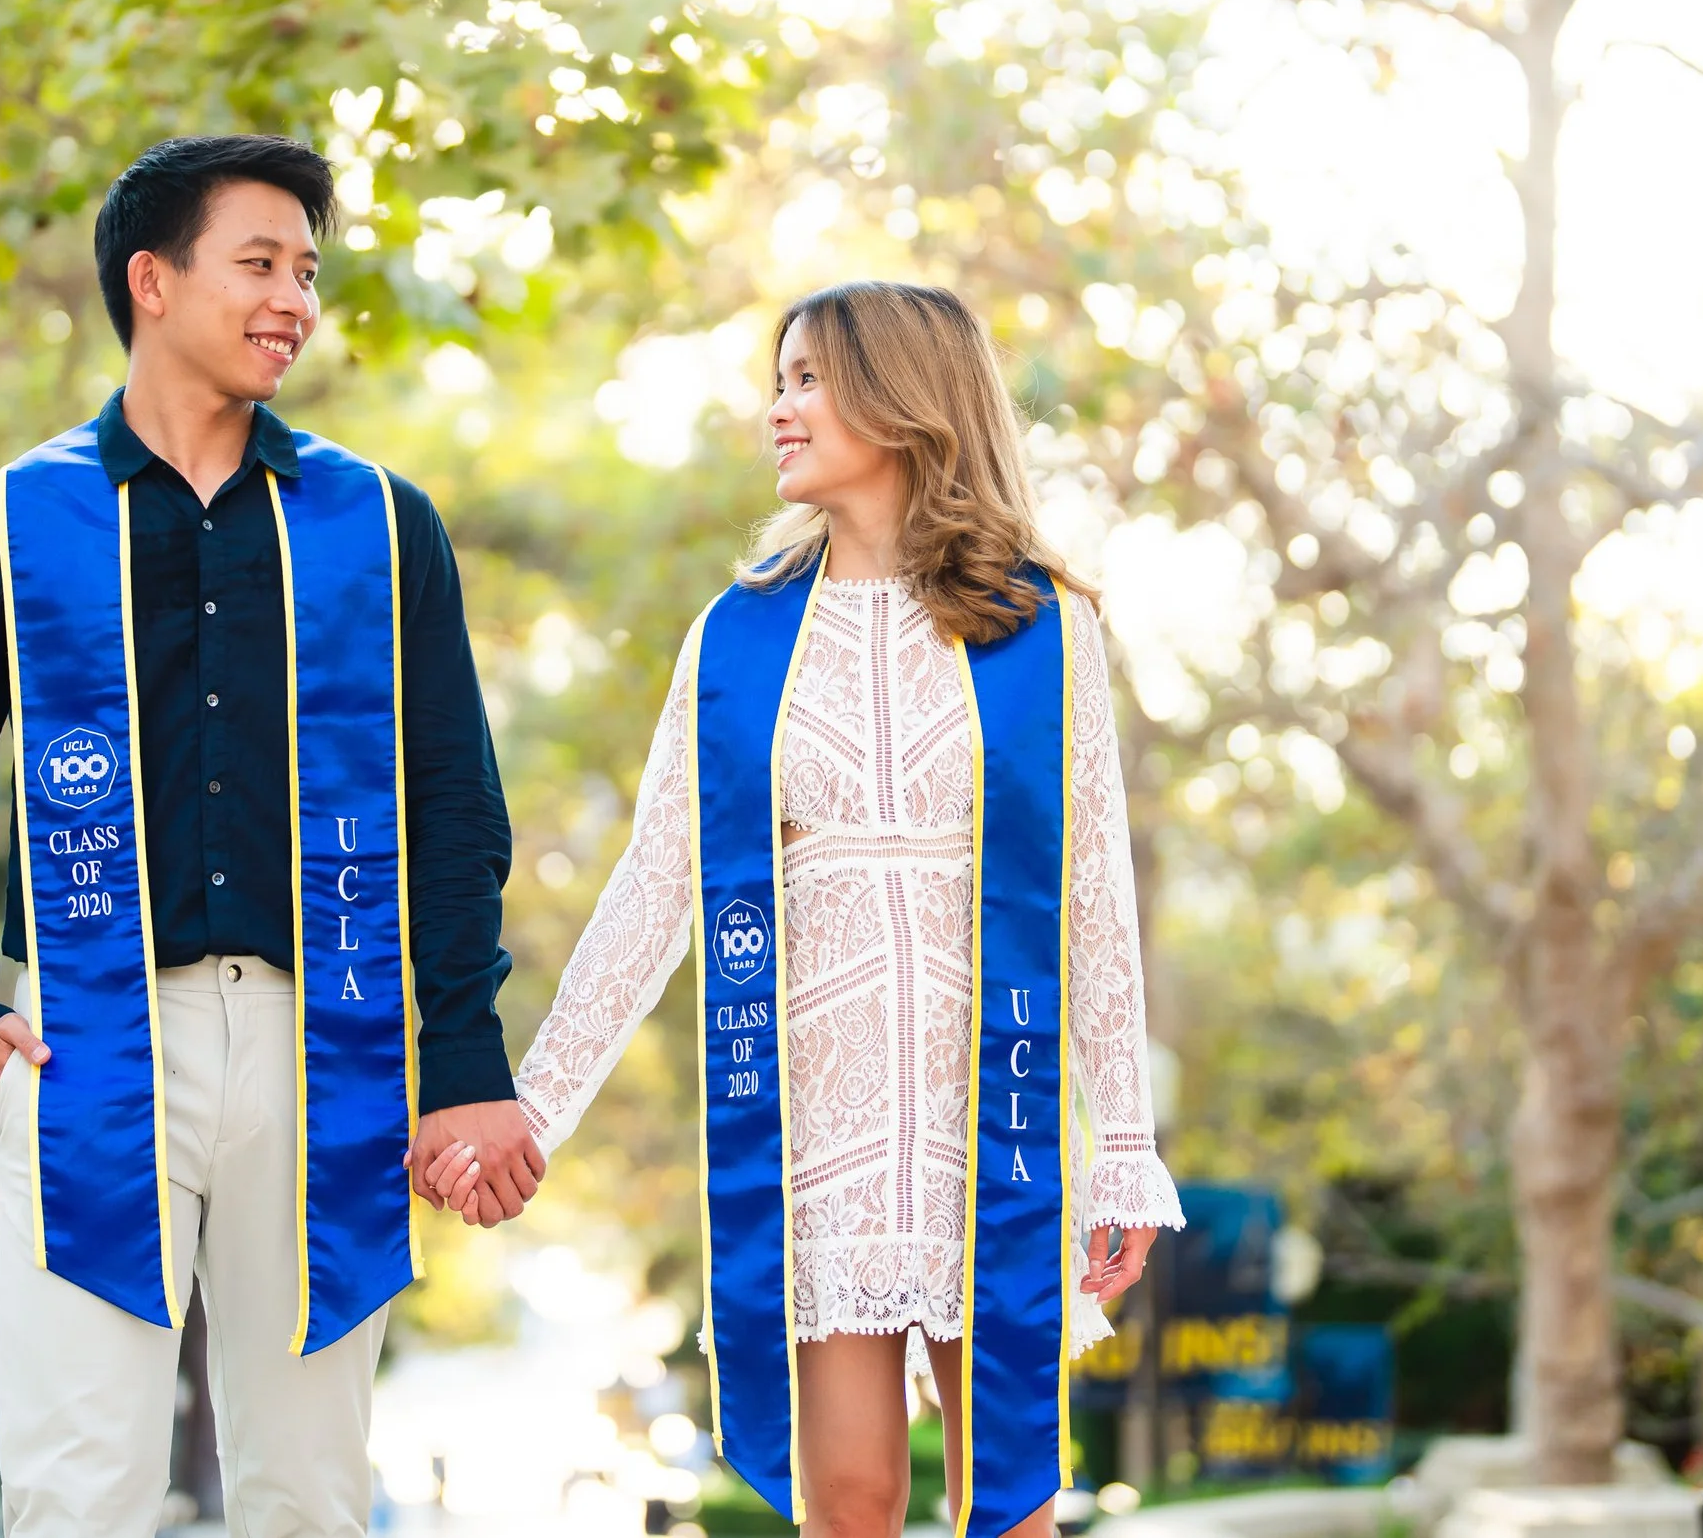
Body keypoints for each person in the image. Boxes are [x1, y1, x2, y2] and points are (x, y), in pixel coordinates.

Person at [0, 134, 543, 1536]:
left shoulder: (380, 524)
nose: (295, 298)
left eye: (308, 271)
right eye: (260, 262)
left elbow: (455, 806)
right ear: (153, 280)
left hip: (328, 1044)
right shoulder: (6, 523)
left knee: (308, 1494)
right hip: (91, 1045)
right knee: (76, 1492)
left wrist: (464, 1057)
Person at [426, 281, 1184, 1537]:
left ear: (903, 398)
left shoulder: (1042, 629)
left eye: (808, 380)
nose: (777, 409)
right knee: (848, 1502)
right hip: (820, 1125)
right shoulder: (738, 637)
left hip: (989, 1109)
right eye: (777, 382)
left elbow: (1093, 896)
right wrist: (537, 1106)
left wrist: (1123, 1143)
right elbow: (653, 891)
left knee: (1012, 1508)